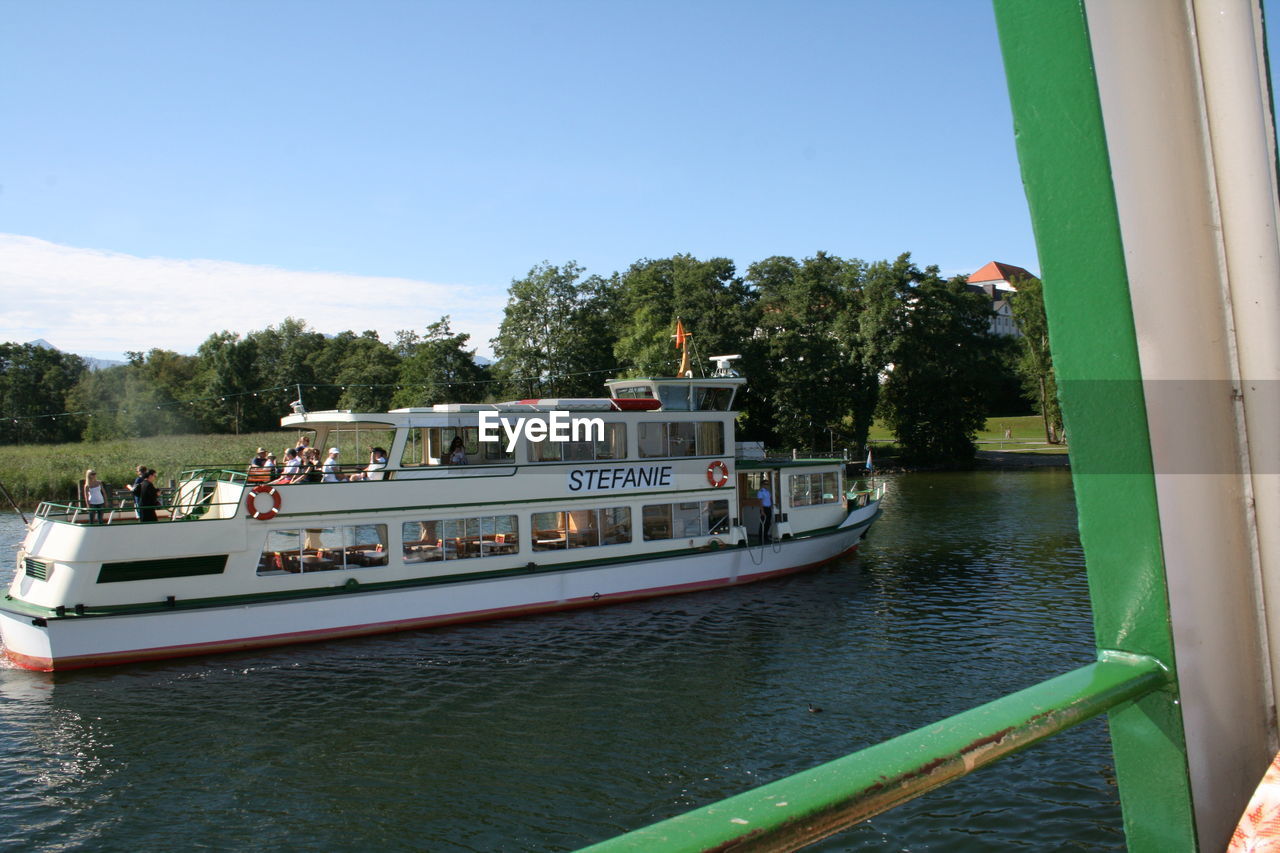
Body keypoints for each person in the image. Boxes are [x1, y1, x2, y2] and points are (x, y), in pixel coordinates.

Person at [757, 476, 774, 543]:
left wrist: (772, 505)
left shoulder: (767, 492)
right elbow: (760, 502)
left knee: (768, 523)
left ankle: (766, 536)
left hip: (768, 508)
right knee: (763, 524)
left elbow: (770, 499)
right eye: (765, 484)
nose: (767, 485)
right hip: (764, 509)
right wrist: (762, 511)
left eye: (767, 484)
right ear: (762, 485)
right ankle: (761, 538)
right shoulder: (761, 492)